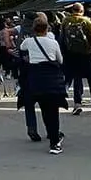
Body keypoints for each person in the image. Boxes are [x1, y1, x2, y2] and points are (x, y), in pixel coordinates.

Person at [19, 13, 68, 154]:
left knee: (43, 108)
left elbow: (22, 48)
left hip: (36, 79)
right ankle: (54, 142)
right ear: (47, 28)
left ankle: (50, 134)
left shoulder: (29, 41)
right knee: (53, 110)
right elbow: (60, 60)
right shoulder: (53, 43)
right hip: (52, 79)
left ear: (34, 29)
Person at [61, 3, 91, 115]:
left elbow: (62, 39)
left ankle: (77, 104)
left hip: (72, 55)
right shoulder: (87, 21)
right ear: (82, 10)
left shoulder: (65, 21)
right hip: (87, 54)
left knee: (77, 79)